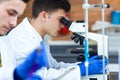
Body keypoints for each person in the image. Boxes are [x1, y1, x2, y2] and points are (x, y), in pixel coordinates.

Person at [4, 0, 108, 80]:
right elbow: (40, 76)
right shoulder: (21, 38)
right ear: (44, 16)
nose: (63, 25)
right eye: (60, 19)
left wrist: (81, 66)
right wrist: (80, 70)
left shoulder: (39, 37)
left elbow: (54, 67)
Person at [0, 0, 30, 80]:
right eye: (11, 13)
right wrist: (15, 74)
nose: (14, 23)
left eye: (18, 17)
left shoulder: (4, 42)